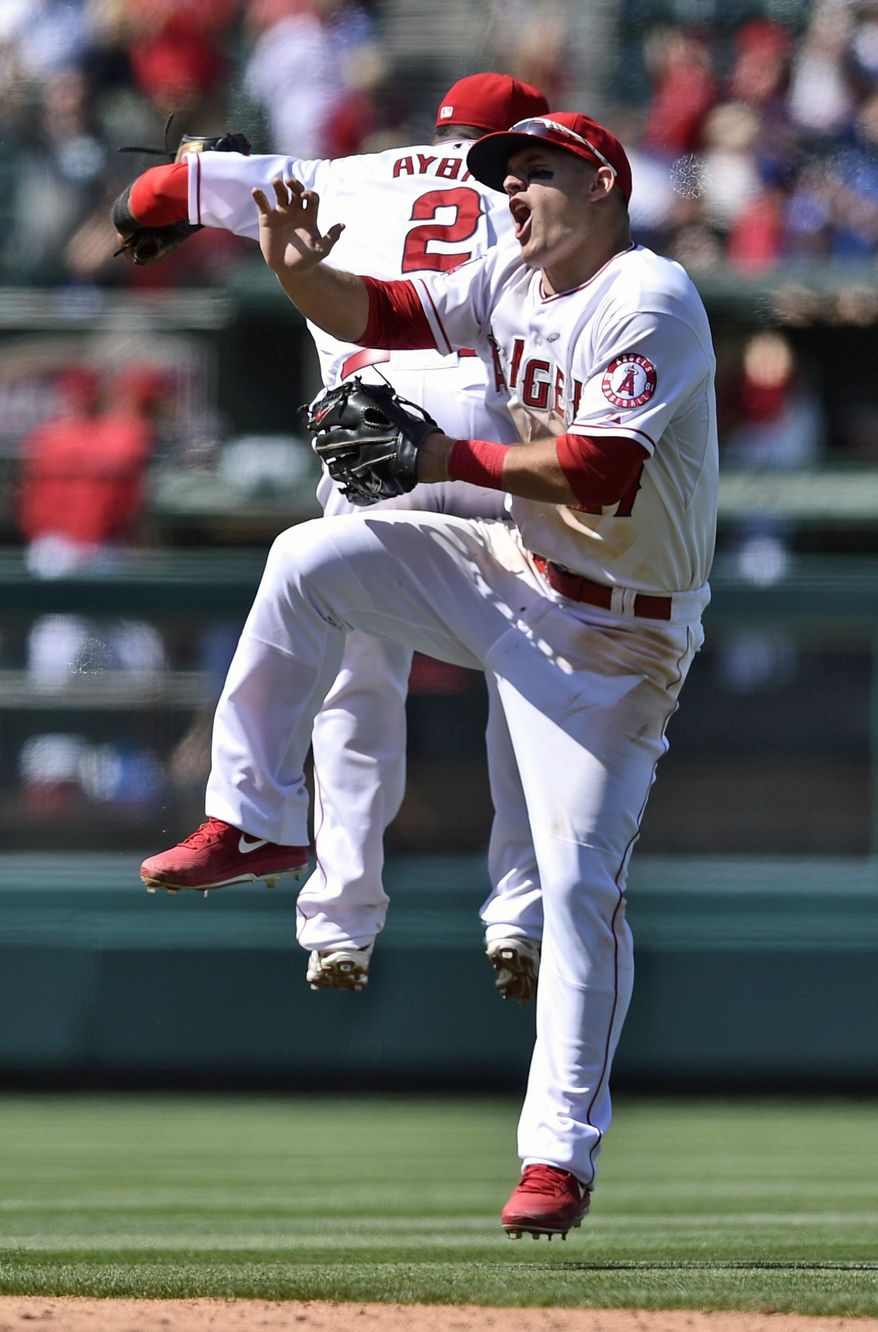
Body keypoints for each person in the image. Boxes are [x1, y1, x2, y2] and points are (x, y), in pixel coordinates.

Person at [141, 110, 718, 1238]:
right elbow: (388, 312)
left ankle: (555, 1157)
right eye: (506, 178)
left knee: (576, 891)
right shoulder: (506, 272)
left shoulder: (650, 297)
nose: (513, 194)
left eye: (537, 174)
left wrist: (440, 456)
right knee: (306, 558)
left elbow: (599, 471)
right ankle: (256, 817)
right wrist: (299, 275)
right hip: (511, 569)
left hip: (617, 645)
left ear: (601, 183)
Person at [123, 73, 550, 1000]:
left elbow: (153, 196)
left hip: (372, 454)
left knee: (354, 683)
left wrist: (157, 203)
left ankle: (339, 921)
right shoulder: (543, 190)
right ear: (523, 139)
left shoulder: (337, 172)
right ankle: (521, 912)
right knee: (529, 689)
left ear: (441, 127)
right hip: (493, 453)